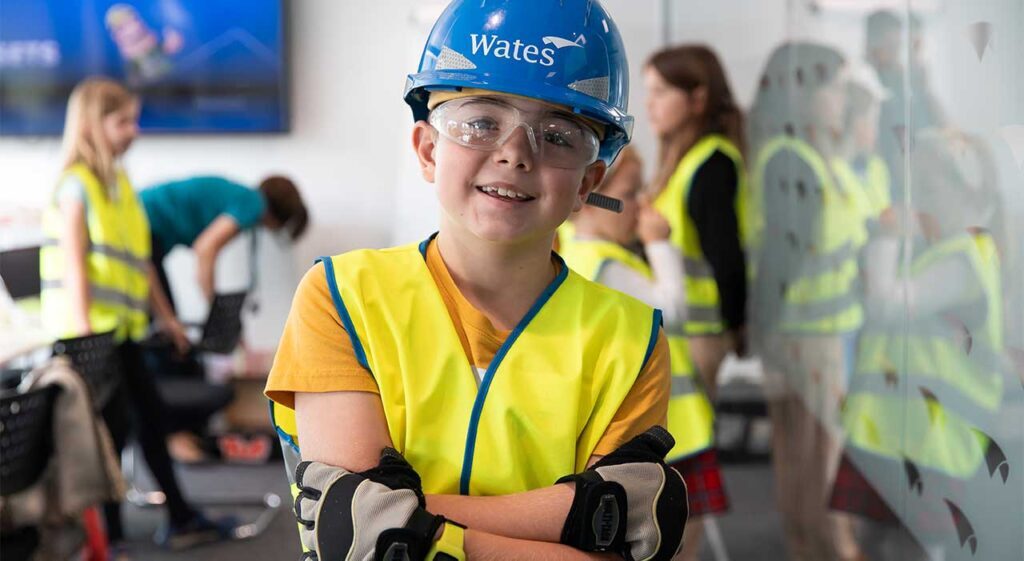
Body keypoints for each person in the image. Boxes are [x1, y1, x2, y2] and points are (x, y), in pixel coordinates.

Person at [265, 1, 689, 559]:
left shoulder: (632, 340)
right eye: (482, 123)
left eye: (558, 135)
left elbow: (377, 531)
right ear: (427, 150)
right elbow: (355, 541)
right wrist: (574, 517)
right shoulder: (343, 298)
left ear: (588, 183)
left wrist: (410, 521)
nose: (515, 154)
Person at [38, 77, 234, 551]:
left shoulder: (120, 185)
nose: (134, 131)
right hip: (88, 336)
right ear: (93, 125)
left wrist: (167, 317)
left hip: (121, 331)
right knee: (109, 434)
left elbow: (141, 261)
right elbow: (75, 263)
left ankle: (176, 518)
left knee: (148, 418)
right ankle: (116, 537)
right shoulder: (77, 185)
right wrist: (85, 334)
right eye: (123, 121)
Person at [831, 129, 1008, 560]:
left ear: (965, 191)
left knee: (907, 548)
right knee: (875, 543)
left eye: (928, 187)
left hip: (928, 440)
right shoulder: (942, 251)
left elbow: (886, 306)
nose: (916, 201)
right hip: (895, 433)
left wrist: (887, 236)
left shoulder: (965, 258)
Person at [560, 146, 728, 561]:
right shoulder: (603, 264)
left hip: (661, 428)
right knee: (679, 540)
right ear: (593, 195)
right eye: (630, 193)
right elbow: (672, 311)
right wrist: (659, 244)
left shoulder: (585, 254)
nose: (641, 205)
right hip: (671, 432)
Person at [746, 43, 865, 561]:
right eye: (834, 88)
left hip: (812, 335)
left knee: (805, 462)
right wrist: (768, 336)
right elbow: (781, 261)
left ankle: (813, 549)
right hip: (806, 339)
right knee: (817, 466)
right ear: (805, 94)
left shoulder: (805, 155)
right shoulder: (792, 160)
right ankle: (825, 551)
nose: (842, 99)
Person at [643, 45, 749, 402]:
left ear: (697, 98)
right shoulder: (682, 161)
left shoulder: (712, 164)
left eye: (660, 92)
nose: (649, 104)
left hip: (701, 333)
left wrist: (737, 327)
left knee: (692, 430)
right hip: (680, 328)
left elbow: (726, 256)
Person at [139, 175, 307, 306]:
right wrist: (215, 308)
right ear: (279, 217)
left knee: (164, 319)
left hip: (143, 223)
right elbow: (205, 248)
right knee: (166, 326)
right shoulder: (252, 204)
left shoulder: (242, 197)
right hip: (143, 225)